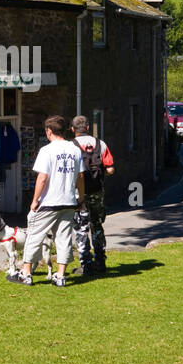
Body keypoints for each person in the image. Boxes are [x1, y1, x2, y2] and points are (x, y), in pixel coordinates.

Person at [11, 114, 84, 288]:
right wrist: (81, 198)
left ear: (49, 131)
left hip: (49, 201)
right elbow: (80, 176)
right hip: (68, 201)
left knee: (34, 235)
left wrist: (35, 200)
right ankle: (60, 275)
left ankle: (26, 273)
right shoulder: (75, 149)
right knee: (64, 238)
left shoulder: (47, 150)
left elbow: (42, 178)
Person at [72, 115, 115, 276]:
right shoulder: (100, 144)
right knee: (97, 226)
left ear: (73, 129)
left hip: (79, 194)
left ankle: (86, 264)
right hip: (97, 191)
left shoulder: (72, 146)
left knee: (81, 228)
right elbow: (111, 169)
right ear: (88, 128)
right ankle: (100, 261)